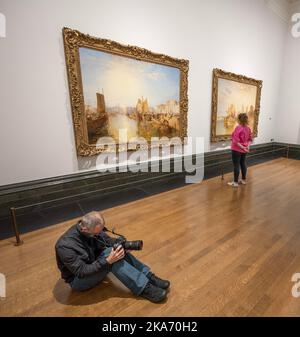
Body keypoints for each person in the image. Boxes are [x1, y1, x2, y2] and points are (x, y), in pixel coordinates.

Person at [55, 211, 170, 303]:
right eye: (96, 234)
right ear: (84, 228)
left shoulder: (91, 228)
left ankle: (148, 276)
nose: (98, 235)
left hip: (93, 263)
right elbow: (82, 272)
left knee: (115, 250)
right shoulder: (65, 246)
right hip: (78, 280)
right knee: (113, 261)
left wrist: (122, 245)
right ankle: (144, 288)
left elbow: (108, 240)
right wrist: (108, 261)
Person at [228, 113, 253, 188]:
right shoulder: (248, 128)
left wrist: (242, 147)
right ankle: (243, 180)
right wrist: (247, 147)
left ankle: (235, 182)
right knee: (243, 163)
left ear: (239, 119)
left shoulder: (238, 128)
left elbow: (236, 141)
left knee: (236, 165)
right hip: (244, 150)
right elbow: (249, 140)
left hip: (236, 149)